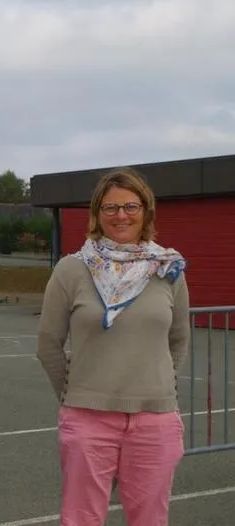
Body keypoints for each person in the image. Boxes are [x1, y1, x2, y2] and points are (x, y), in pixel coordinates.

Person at [37, 167, 189, 525]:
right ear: (97, 214)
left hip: (155, 420)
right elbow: (48, 344)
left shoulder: (168, 269)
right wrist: (75, 395)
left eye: (131, 206)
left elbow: (179, 338)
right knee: (81, 519)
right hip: (87, 418)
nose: (121, 215)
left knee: (150, 518)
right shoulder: (71, 270)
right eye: (111, 207)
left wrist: (159, 386)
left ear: (146, 212)